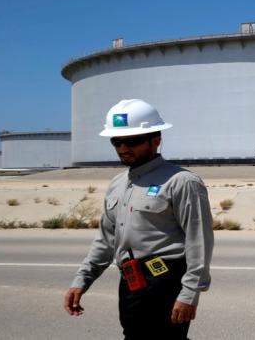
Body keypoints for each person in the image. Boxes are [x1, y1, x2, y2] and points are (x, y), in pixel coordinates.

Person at [64, 99, 214, 339]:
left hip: (165, 282)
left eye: (132, 140)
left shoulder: (182, 182)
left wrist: (189, 293)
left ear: (156, 140)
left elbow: (199, 242)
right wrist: (82, 280)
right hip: (131, 282)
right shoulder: (117, 184)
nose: (123, 148)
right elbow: (106, 238)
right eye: (117, 141)